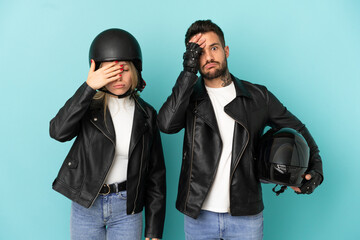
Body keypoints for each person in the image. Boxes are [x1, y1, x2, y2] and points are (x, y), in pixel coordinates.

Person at [157, 20, 323, 240]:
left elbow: (297, 128)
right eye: (198, 52)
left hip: (246, 214)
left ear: (226, 50)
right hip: (199, 215)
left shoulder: (258, 96)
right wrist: (188, 72)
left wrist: (316, 166)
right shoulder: (188, 97)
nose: (207, 57)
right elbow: (166, 125)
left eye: (213, 48)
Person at [50, 28, 166, 240]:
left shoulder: (147, 115)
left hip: (127, 208)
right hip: (87, 205)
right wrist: (88, 88)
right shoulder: (87, 108)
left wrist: (154, 229)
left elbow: (156, 175)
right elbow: (58, 132)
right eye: (110, 71)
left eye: (124, 70)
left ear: (135, 72)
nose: (118, 77)